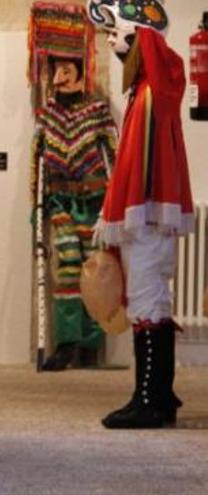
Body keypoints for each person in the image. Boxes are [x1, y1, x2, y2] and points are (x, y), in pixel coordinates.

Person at [88, 0, 194, 428]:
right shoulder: (147, 93)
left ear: (138, 38)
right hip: (148, 216)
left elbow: (141, 166)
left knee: (147, 302)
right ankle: (159, 395)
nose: (111, 39)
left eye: (116, 32)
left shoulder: (150, 96)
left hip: (147, 217)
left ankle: (150, 401)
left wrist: (127, 210)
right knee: (152, 300)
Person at [31, 56, 117, 371]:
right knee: (67, 266)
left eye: (67, 70)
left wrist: (119, 203)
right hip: (61, 203)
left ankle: (90, 344)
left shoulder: (97, 111)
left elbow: (115, 152)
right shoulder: (48, 115)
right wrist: (35, 206)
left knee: (96, 269)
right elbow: (35, 157)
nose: (60, 77)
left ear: (81, 73)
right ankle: (67, 344)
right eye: (56, 71)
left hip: (95, 202)